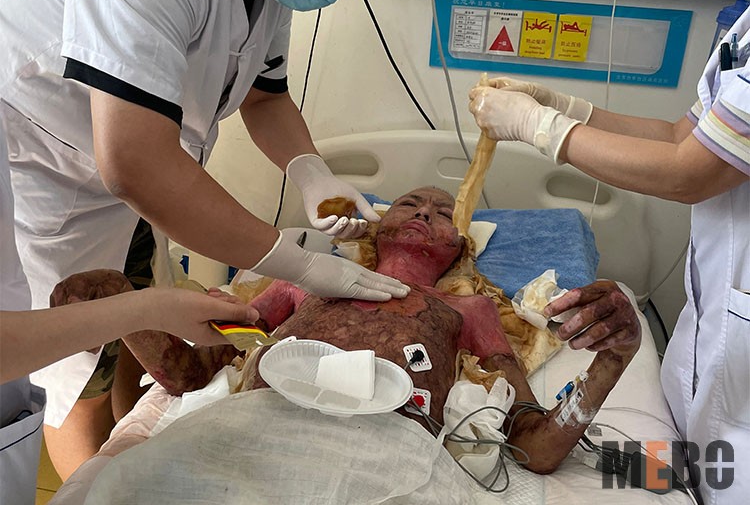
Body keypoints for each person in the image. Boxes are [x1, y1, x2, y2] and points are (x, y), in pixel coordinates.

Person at [0, 0, 413, 478]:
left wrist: (311, 170)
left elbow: (264, 94)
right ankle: (92, 485)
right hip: (50, 168)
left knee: (139, 331)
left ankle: (132, 436)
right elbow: (134, 163)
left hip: (139, 170)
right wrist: (295, 264)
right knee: (78, 373)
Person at [468, 0, 749, 502]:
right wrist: (567, 106)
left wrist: (538, 128)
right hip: (715, 353)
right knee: (687, 470)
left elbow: (691, 171)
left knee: (719, 475)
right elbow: (683, 135)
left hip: (741, 374)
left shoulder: (477, 308)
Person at [53, 186, 641, 489]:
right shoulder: (300, 284)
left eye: (442, 213)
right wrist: (121, 305)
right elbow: (193, 373)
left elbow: (533, 447)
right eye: (408, 204)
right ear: (375, 228)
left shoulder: (468, 310)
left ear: (459, 248)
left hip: (384, 455)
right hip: (255, 432)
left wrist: (612, 361)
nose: (424, 213)